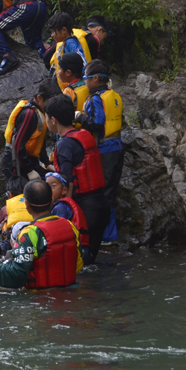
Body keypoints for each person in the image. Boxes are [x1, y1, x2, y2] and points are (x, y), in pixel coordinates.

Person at [43, 94, 111, 263]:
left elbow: (67, 182)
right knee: (89, 261)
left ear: (53, 120)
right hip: (101, 205)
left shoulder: (65, 144)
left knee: (77, 263)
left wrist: (63, 214)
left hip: (85, 209)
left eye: (46, 117)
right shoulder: (83, 134)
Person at [0, 180, 83, 289]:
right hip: (72, 295)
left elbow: (16, 277)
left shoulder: (29, 233)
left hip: (41, 299)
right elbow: (79, 262)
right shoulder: (70, 226)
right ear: (52, 201)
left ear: (26, 205)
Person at [76, 59, 124, 243]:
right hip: (117, 146)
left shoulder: (96, 98)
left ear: (95, 79)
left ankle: (107, 235)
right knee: (110, 191)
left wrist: (80, 117)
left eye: (86, 77)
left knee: (104, 193)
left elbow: (96, 123)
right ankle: (108, 234)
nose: (84, 81)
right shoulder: (114, 95)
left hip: (105, 150)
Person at [0, 78, 63, 194]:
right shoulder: (29, 114)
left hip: (27, 160)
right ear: (39, 98)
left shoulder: (39, 113)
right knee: (21, 195)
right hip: (14, 161)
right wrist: (29, 171)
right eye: (49, 102)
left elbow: (39, 141)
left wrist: (47, 163)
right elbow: (18, 145)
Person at [45, 171, 92, 264]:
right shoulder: (63, 204)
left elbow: (58, 233)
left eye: (53, 186)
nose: (49, 190)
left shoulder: (60, 208)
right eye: (47, 186)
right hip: (83, 248)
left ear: (64, 191)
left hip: (77, 251)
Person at [44, 12, 98, 88]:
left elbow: (82, 59)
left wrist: (86, 77)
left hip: (75, 84)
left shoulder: (71, 43)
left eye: (53, 32)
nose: (52, 35)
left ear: (64, 30)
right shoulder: (64, 43)